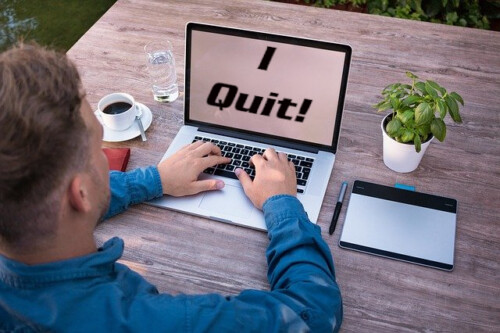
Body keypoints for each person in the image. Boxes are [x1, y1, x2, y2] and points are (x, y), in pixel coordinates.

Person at [0, 43, 342, 332]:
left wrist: (155, 179)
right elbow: (313, 310)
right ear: (81, 195)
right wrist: (282, 204)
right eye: (98, 149)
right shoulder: (162, 322)